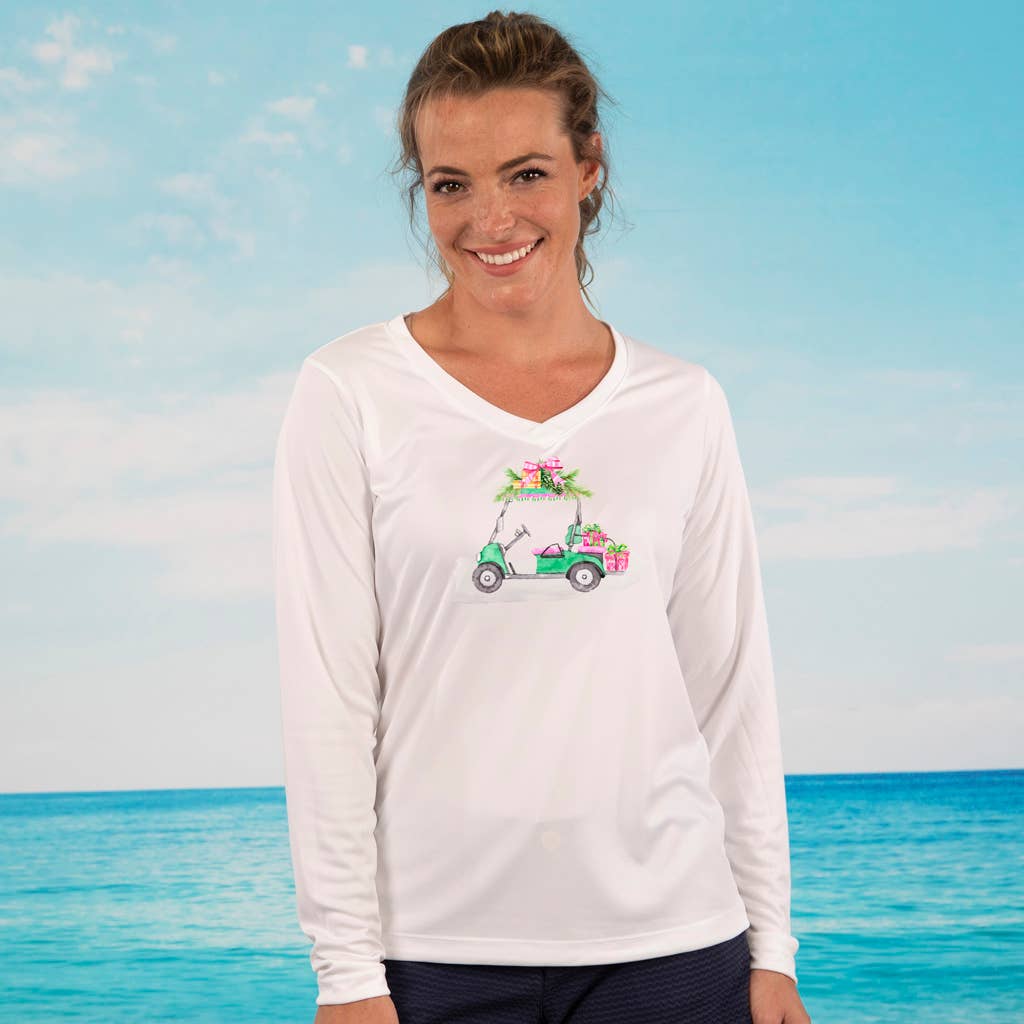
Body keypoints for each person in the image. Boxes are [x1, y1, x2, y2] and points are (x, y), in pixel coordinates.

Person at [272, 10, 812, 1024]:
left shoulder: (683, 403)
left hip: (675, 946)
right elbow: (330, 698)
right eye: (450, 184)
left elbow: (731, 691)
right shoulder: (348, 391)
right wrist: (346, 974)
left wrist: (771, 947)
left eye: (526, 173)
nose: (491, 219)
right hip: (435, 952)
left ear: (587, 168)